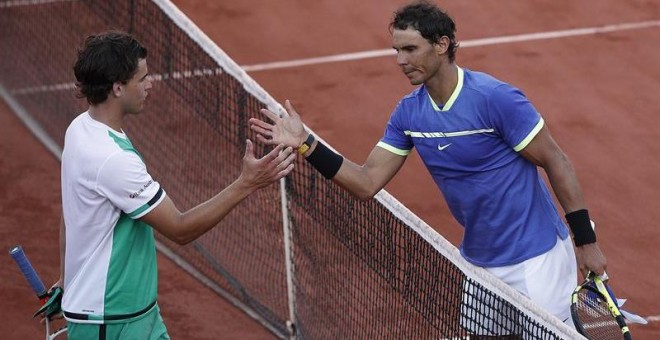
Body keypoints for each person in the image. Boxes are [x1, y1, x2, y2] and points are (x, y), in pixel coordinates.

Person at [249, 0, 607, 335]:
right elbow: (365, 182)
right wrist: (306, 144)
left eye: (410, 49)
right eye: (397, 50)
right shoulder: (409, 114)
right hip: (480, 263)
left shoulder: (494, 98)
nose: (401, 60)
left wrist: (585, 241)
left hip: (536, 256)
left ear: (442, 45)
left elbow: (555, 160)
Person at [53, 31, 295, 339]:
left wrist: (66, 280)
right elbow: (180, 228)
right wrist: (247, 182)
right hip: (110, 321)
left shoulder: (80, 129)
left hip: (138, 313)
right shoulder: (112, 160)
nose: (150, 84)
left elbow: (69, 215)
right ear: (117, 88)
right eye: (142, 79)